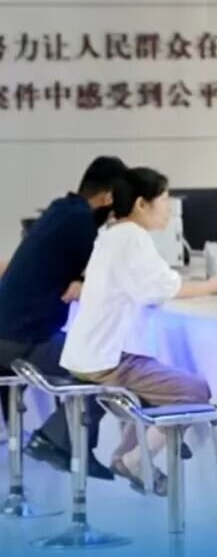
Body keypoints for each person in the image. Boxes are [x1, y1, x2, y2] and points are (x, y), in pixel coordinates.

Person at [60, 167, 217, 496]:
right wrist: (213, 287)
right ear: (141, 204)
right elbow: (160, 289)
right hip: (105, 360)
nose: (169, 207)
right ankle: (134, 461)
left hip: (88, 354)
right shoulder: (132, 236)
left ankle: (127, 457)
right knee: (194, 391)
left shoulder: (112, 233)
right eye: (164, 199)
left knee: (157, 387)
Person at [0, 156, 129, 480]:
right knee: (101, 368)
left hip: (10, 333)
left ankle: (73, 448)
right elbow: (113, 274)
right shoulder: (81, 224)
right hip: (23, 339)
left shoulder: (61, 210)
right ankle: (56, 442)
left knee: (87, 358)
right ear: (108, 197)